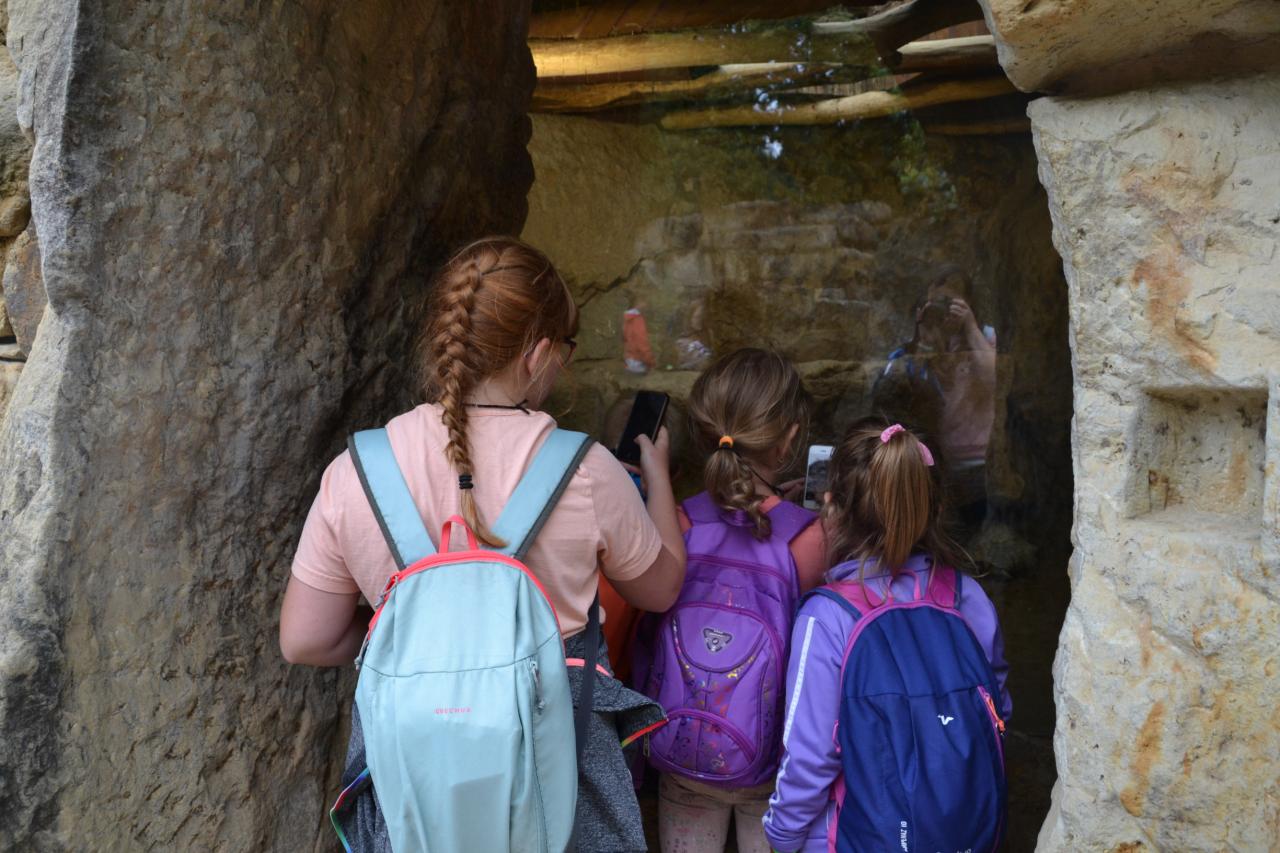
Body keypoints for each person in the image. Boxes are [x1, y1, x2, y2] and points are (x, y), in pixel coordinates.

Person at [279, 236, 687, 852]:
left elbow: (305, 639)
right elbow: (660, 589)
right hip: (561, 778)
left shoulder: (356, 472)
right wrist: (657, 480)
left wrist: (405, 633)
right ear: (538, 353)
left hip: (416, 787)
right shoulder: (586, 470)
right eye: (565, 352)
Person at [763, 418, 1011, 853]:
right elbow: (998, 711)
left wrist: (782, 835)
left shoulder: (828, 616)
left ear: (832, 507)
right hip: (966, 835)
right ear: (933, 507)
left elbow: (810, 755)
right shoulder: (966, 597)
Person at [642, 349, 828, 853]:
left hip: (683, 752)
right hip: (769, 765)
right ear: (790, 439)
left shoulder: (680, 522)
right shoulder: (808, 540)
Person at [872, 265, 997, 533]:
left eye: (948, 302)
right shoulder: (923, 343)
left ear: (967, 303)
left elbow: (996, 380)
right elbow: (895, 391)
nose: (941, 310)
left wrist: (969, 325)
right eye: (934, 302)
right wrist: (923, 334)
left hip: (980, 462)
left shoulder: (984, 336)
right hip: (937, 460)